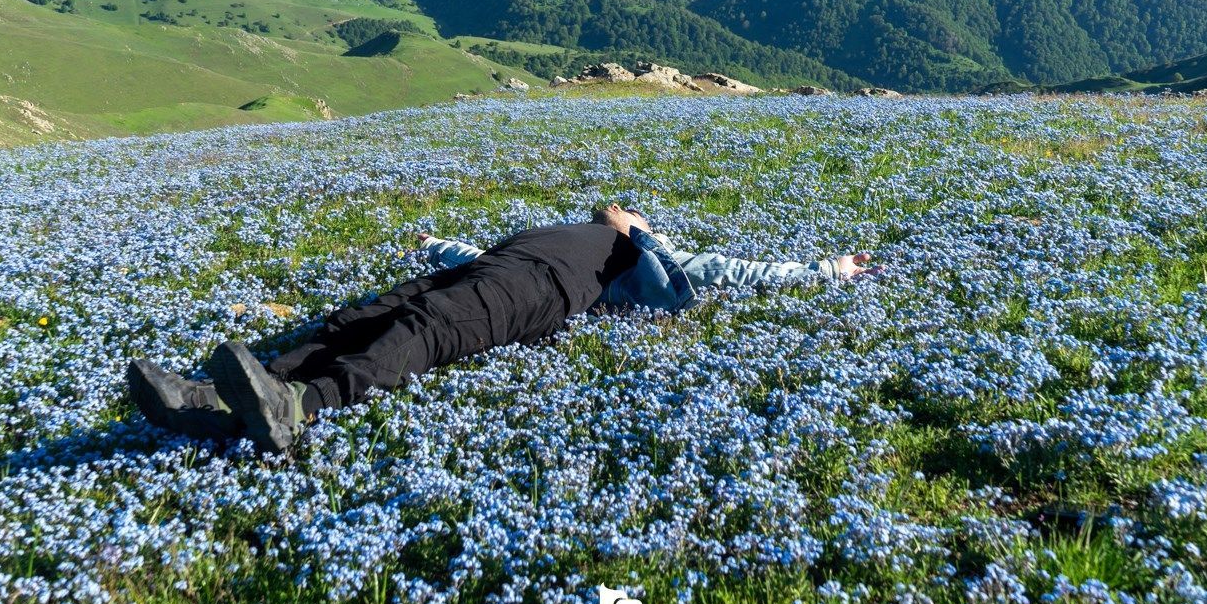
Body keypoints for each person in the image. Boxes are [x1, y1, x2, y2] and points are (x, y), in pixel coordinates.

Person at [127, 204, 874, 452]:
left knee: (424, 332)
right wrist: (440, 248)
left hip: (538, 294)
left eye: (632, 213)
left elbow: (725, 277)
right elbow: (489, 251)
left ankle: (295, 407)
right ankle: (215, 400)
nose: (618, 210)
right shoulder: (573, 227)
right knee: (357, 317)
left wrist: (832, 270)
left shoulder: (646, 257)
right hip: (487, 270)